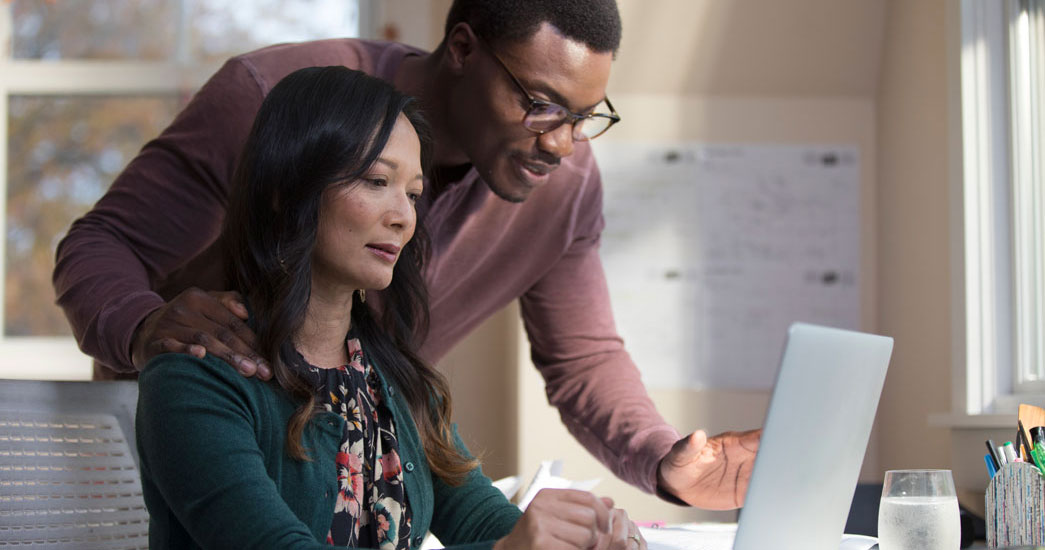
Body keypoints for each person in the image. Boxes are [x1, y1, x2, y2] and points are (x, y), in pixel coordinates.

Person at [55, 0, 760, 509]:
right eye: (541, 104)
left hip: (360, 466)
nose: (561, 143)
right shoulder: (272, 101)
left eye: (583, 118)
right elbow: (100, 245)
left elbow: (583, 360)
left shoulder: (562, 187)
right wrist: (145, 328)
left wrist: (664, 463)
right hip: (189, 449)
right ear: (461, 49)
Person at [136, 65, 645, 550]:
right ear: (284, 189)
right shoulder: (195, 380)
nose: (404, 217)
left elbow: (479, 515)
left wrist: (576, 537)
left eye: (414, 193)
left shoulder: (394, 378)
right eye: (378, 182)